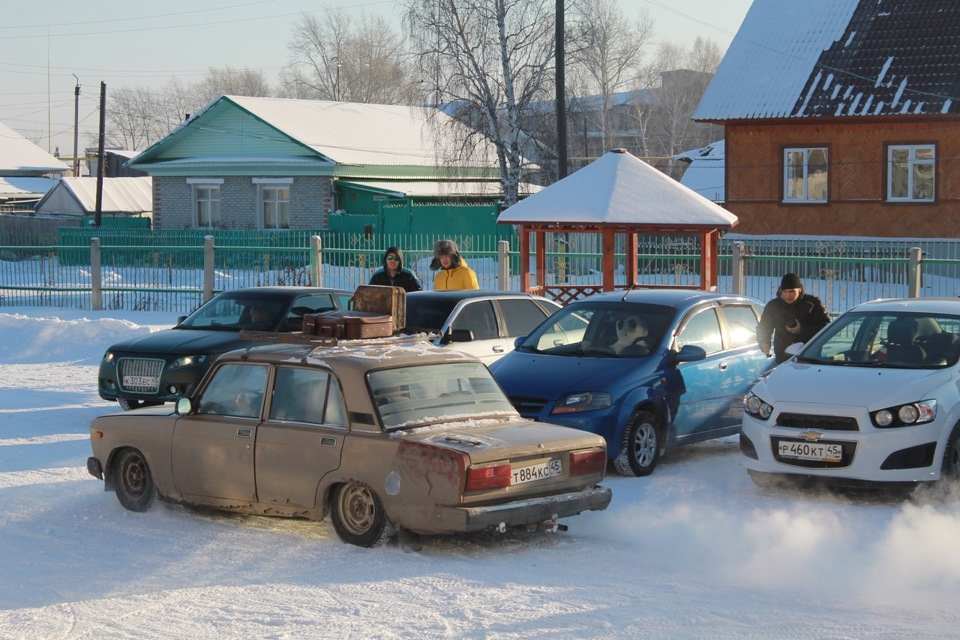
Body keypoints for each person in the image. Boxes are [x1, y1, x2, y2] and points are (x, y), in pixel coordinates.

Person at [757, 273, 830, 363]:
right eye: (785, 291)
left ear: (800, 289)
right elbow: (763, 327)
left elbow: (826, 327)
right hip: (782, 358)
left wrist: (801, 330)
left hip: (809, 358)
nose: (788, 295)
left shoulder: (812, 304)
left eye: (791, 291)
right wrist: (764, 342)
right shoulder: (773, 306)